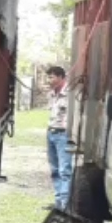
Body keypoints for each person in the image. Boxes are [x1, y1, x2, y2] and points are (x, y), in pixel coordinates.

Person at [45, 65, 72, 210]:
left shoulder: (69, 94)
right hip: (51, 132)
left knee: (64, 170)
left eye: (51, 77)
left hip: (63, 134)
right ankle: (58, 202)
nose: (49, 80)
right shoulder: (52, 94)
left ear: (61, 77)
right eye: (48, 77)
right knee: (54, 169)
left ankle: (65, 204)